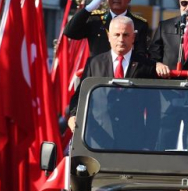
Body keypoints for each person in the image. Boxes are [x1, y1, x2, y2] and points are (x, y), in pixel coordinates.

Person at [67, 16, 158, 150]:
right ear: (109, 36)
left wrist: (150, 144)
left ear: (133, 37)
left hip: (133, 142)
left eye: (126, 35)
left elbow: (154, 108)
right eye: (117, 35)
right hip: (97, 140)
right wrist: (73, 116)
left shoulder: (147, 66)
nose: (121, 39)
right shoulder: (94, 63)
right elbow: (81, 95)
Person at [63, 0, 150, 59]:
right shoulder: (95, 19)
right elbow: (70, 32)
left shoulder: (139, 24)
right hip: (98, 71)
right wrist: (88, 9)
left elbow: (141, 54)